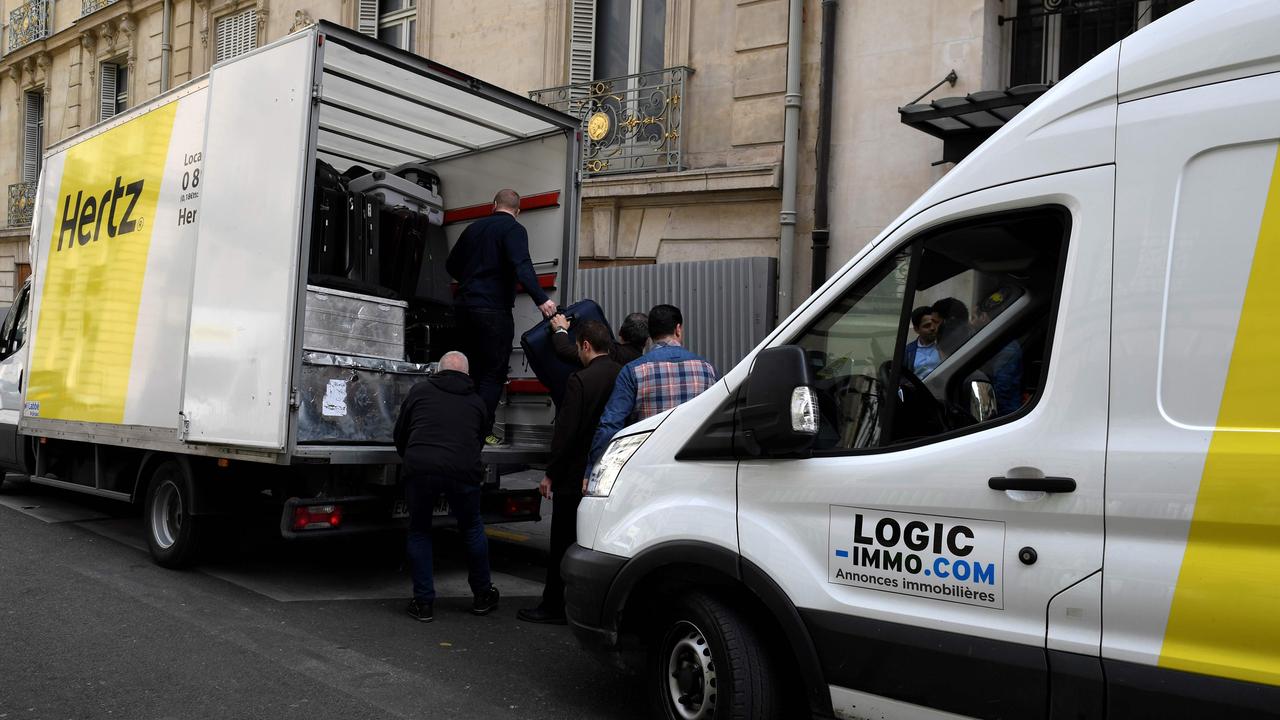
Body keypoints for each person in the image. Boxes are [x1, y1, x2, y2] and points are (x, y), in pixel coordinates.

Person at [517, 321, 622, 625]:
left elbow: (566, 433)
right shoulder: (623, 374)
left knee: (563, 543)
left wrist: (550, 473)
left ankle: (553, 606)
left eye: (578, 346)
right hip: (610, 472)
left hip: (574, 475)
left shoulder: (580, 380)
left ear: (586, 345)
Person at [393, 351, 500, 623]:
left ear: (438, 370)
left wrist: (412, 457)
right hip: (462, 471)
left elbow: (401, 432)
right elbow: (480, 439)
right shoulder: (477, 402)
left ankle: (424, 603)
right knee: (472, 527)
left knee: (419, 530)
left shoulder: (419, 392)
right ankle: (482, 595)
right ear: (466, 374)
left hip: (421, 468)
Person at [446, 189, 558, 443]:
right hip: (492, 310)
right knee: (492, 373)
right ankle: (478, 433)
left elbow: (451, 264)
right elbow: (522, 265)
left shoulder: (473, 229)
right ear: (517, 211)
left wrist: (471, 279)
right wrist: (542, 299)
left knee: (466, 370)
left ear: (493, 205)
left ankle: (457, 426)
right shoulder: (514, 230)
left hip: (463, 308)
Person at [589, 304, 717, 466]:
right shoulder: (707, 369)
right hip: (694, 464)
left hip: (646, 468)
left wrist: (593, 468)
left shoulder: (633, 371)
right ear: (678, 329)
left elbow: (610, 425)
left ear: (650, 334)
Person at [972, 287, 1024, 416]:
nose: (971, 322)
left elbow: (1002, 390)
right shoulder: (997, 342)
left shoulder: (1007, 348)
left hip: (1005, 415)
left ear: (983, 317)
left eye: (973, 317)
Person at [549, 310, 648, 366]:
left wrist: (560, 328)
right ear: (647, 341)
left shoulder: (611, 352)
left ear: (620, 332)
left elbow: (565, 350)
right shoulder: (645, 365)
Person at [904, 306, 942, 378]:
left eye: (935, 324)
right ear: (916, 329)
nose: (932, 328)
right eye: (927, 326)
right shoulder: (908, 351)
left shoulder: (946, 346)